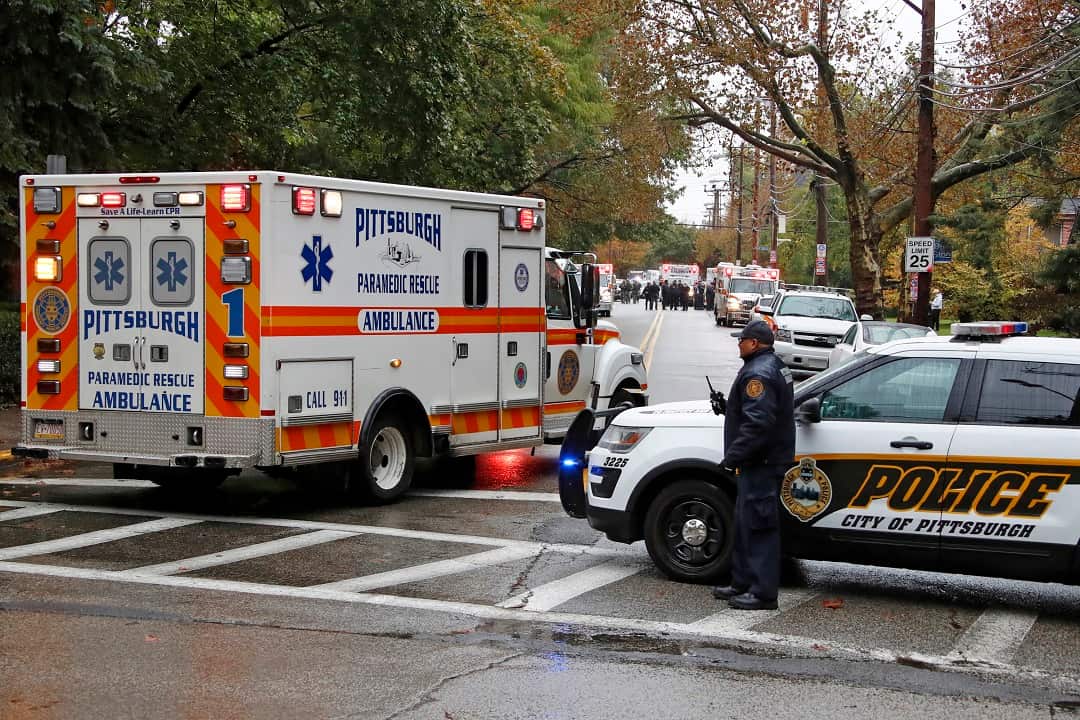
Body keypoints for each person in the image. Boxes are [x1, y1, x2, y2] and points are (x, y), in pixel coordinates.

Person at [711, 320, 796, 611]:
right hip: (760, 461)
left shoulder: (758, 373)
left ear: (755, 343)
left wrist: (733, 456)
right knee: (746, 524)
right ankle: (742, 583)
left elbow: (759, 424)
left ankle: (762, 593)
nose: (738, 343)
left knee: (759, 528)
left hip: (761, 462)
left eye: (742, 339)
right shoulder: (771, 365)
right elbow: (758, 411)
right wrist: (728, 407)